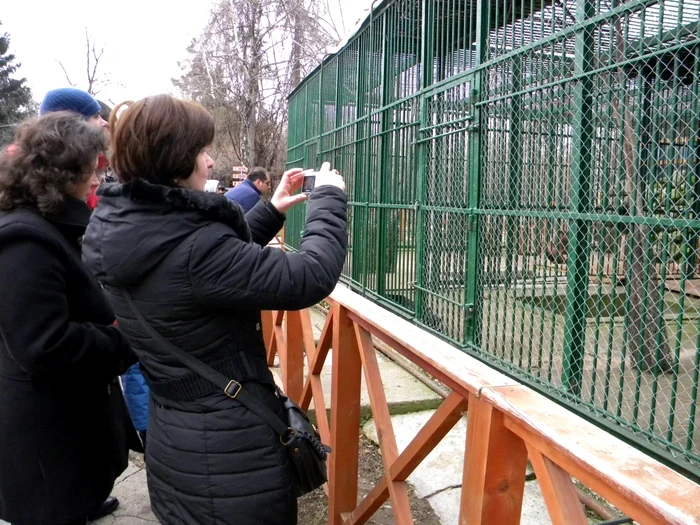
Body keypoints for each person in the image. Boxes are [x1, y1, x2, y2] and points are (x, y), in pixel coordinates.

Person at [82, 94, 347, 525]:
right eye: (202, 152)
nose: (209, 163)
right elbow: (311, 275)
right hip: (230, 460)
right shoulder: (193, 248)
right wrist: (330, 201)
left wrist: (271, 210)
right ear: (175, 161)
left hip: (174, 441)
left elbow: (205, 274)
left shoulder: (122, 227)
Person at [0, 112, 137, 525]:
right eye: (91, 166)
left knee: (77, 490)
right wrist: (121, 338)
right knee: (53, 503)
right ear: (61, 171)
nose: (99, 176)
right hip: (44, 430)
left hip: (66, 413)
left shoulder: (47, 224)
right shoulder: (24, 240)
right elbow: (44, 346)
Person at [40, 90, 150, 452]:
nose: (103, 122)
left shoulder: (70, 192)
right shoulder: (31, 229)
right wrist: (121, 339)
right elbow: (45, 342)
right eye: (93, 117)